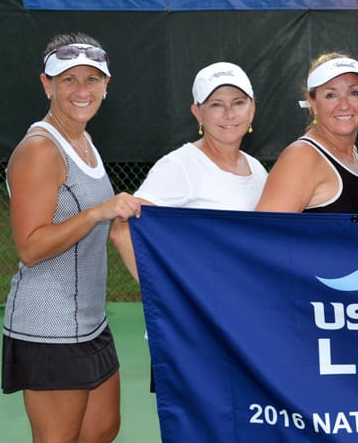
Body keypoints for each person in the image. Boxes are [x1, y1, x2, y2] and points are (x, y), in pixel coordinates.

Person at [2, 32, 142, 443]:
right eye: (68, 80)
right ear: (47, 84)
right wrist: (96, 214)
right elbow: (30, 247)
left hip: (89, 319)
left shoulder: (82, 140)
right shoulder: (40, 150)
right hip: (47, 323)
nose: (81, 89)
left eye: (91, 79)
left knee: (103, 428)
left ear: (106, 84)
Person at [110, 62, 267, 280]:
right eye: (216, 105)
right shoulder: (180, 166)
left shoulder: (257, 170)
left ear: (252, 110)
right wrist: (170, 297)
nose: (229, 114)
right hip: (205, 309)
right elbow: (123, 231)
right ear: (198, 113)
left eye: (238, 103)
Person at [256, 54, 358, 213]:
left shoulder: (353, 154)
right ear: (313, 104)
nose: (344, 105)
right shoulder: (301, 157)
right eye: (331, 95)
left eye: (353, 93)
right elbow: (266, 231)